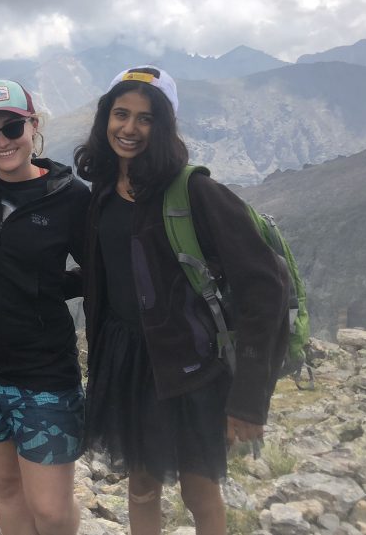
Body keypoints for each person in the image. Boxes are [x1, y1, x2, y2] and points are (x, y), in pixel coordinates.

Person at [74, 66, 289, 535]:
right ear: (104, 119)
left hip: (191, 366)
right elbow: (109, 271)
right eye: (120, 114)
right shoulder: (106, 192)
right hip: (126, 361)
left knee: (199, 490)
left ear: (165, 126)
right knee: (141, 485)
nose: (129, 129)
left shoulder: (195, 190)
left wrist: (250, 398)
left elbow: (264, 286)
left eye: (145, 119)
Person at [0, 79, 90, 535]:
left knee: (49, 508)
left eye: (12, 127)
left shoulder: (71, 197)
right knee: (7, 488)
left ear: (34, 125)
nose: (2, 141)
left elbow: (99, 272)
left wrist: (49, 287)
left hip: (44, 374)